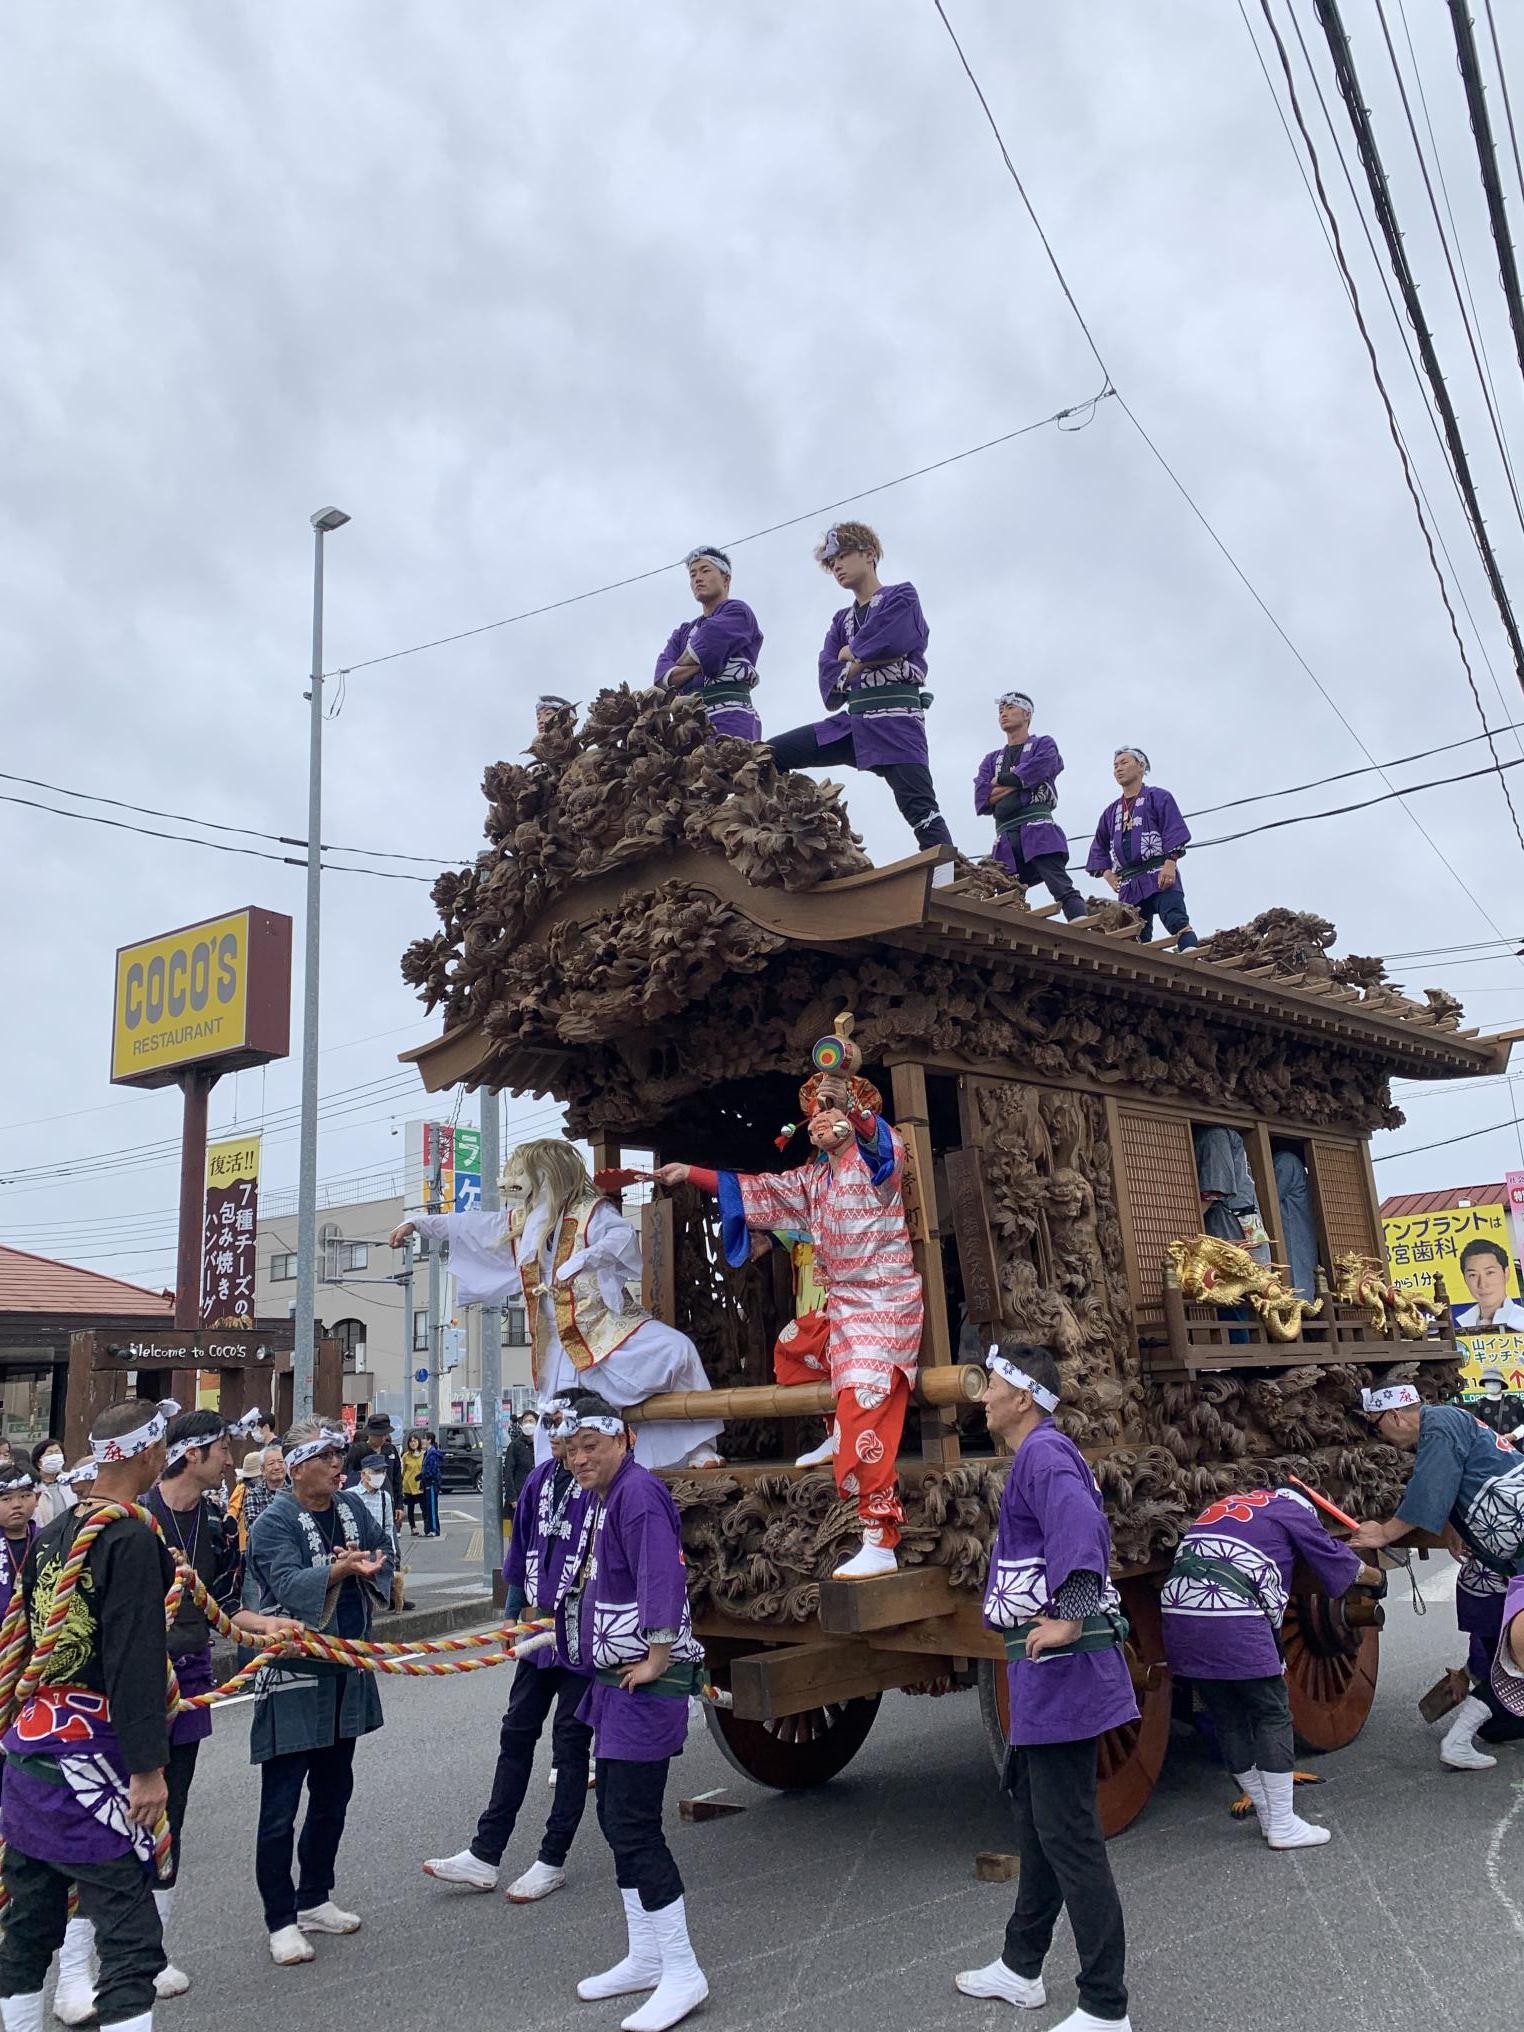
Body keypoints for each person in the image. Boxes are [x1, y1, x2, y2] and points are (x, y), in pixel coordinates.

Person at [656, 1014, 922, 1580]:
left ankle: (880, 1533)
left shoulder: (882, 1160)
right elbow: (756, 1189)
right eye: (818, 1115)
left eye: (834, 1113)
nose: (824, 1121)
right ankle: (835, 1433)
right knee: (792, 1348)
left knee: (866, 1406)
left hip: (886, 1306)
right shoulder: (813, 1178)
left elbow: (878, 1142)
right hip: (843, 1307)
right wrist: (694, 1173)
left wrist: (851, 1106)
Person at [956, 1344, 1135, 2032]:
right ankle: (1021, 1966)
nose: (984, 1396)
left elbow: (1082, 1527)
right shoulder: (1038, 1453)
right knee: (1037, 1821)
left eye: (993, 1385)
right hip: (1045, 1678)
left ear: (1022, 1397)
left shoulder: (1045, 1455)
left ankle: (1105, 2005)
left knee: (1070, 1835)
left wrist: (1069, 1613)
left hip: (1063, 1674)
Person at [0, 1398, 179, 2032]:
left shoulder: (54, 1533)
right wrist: (149, 1769)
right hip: (88, 1761)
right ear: (151, 1454)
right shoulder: (128, 1537)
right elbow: (134, 1657)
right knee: (132, 1939)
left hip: (30, 1752)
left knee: (28, 1920)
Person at [390, 1138, 721, 1472]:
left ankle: (698, 1449)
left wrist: (586, 1258)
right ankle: (555, 1492)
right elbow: (471, 1225)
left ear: (549, 1174)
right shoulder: (523, 1221)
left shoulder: (593, 1210)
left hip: (608, 1329)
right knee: (558, 1421)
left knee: (678, 1350)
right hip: (562, 1344)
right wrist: (418, 1222)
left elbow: (620, 1238)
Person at [563, 1394, 708, 2032]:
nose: (579, 1459)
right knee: (616, 1817)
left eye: (590, 1445)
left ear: (621, 1438)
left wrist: (656, 1653)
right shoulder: (606, 1496)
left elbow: (661, 1576)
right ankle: (647, 1954)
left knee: (633, 1820)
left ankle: (682, 1969)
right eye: (570, 1449)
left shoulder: (639, 1493)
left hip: (647, 1684)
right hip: (617, 1683)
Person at [145, 1410, 300, 2000]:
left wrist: (270, 1625)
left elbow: (228, 1607)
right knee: (114, 1813)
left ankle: (152, 1949)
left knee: (171, 1811)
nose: (233, 1460)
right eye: (222, 1451)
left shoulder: (216, 1524)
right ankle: (87, 1959)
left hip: (188, 1676)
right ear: (192, 1454)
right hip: (128, 1681)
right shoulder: (136, 1517)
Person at [424, 1392, 594, 1902]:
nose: (555, 1433)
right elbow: (521, 1554)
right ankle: (485, 1853)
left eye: (565, 1424)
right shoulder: (540, 1479)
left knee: (569, 1748)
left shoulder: (601, 1483)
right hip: (538, 1634)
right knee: (515, 1734)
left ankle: (552, 1858)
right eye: (550, 1423)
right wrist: (510, 1627)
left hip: (585, 1636)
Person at [246, 1419, 393, 1967]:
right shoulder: (272, 1521)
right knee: (280, 1806)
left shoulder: (353, 1509)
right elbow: (283, 1586)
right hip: (292, 1671)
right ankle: (280, 1918)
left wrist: (373, 1568)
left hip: (346, 1665)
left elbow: (383, 1553)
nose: (339, 1466)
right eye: (327, 1457)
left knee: (335, 1792)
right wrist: (336, 1571)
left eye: (340, 1456)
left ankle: (315, 1897)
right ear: (296, 1465)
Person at [1161, 1486, 1377, 1848]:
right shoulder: (1290, 1510)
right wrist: (1376, 1578)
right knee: (1271, 1713)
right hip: (1232, 1610)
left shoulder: (1224, 1505)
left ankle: (1266, 1810)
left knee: (1227, 1715)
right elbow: (1335, 1560)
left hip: (1178, 1608)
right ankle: (1282, 1823)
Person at [1350, 1375, 1524, 1769]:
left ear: (1393, 1414)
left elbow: (1430, 1487)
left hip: (1514, 1535)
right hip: (1498, 1553)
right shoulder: (1448, 1423)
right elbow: (1449, 1484)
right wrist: (1450, 1527)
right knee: (1484, 1609)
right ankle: (1477, 1703)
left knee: (1511, 1637)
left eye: (1377, 1427)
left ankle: (1467, 1726)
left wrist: (1384, 1533)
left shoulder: (1441, 1423)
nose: (1382, 1438)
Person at [766, 522, 954, 854]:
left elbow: (892, 639)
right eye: (831, 562)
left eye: (842, 556)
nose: (836, 566)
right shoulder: (842, 620)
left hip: (897, 721)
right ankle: (789, 839)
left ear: (868, 554)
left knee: (921, 810)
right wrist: (865, 658)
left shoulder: (902, 596)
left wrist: (851, 656)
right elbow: (829, 672)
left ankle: (949, 885)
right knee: (769, 755)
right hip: (854, 721)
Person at [974, 693, 1085, 921]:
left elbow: (1043, 766)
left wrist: (1000, 781)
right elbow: (982, 796)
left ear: (1027, 714)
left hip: (1037, 826)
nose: (1003, 713)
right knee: (1004, 888)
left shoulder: (1042, 744)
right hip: (1005, 834)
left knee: (1058, 881)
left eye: (1010, 708)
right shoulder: (991, 759)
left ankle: (1079, 919)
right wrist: (1020, 782)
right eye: (1000, 710)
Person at [1085, 745, 1199, 948]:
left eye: (1124, 763)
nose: (1118, 769)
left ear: (1141, 766)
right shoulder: (1110, 812)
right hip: (1129, 883)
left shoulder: (1159, 797)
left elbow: (1173, 828)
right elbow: (1099, 845)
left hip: (1158, 872)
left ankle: (1194, 959)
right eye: (1115, 765)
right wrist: (1107, 873)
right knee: (1133, 935)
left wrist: (1170, 862)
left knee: (1176, 921)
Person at [652, 548, 763, 740]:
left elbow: (709, 645)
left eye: (705, 570)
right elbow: (662, 678)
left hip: (731, 713)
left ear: (726, 579)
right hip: (685, 724)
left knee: (730, 764)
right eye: (692, 574)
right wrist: (702, 660)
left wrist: (683, 666)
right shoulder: (683, 631)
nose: (697, 578)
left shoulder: (738, 611)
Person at [1453, 1237, 1524, 1331]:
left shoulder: (1520, 1318)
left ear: (1506, 1273)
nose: (1482, 1284)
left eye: (1490, 1272)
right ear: (1465, 1279)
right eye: (1473, 1275)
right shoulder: (1459, 1323)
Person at [0, 1462, 40, 1620]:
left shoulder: (49, 1540)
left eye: (25, 1496)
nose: (17, 1505)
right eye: (6, 1499)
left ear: (37, 1498)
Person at [343, 1413, 403, 1511]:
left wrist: (399, 1506)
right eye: (379, 1435)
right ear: (370, 1433)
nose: (383, 1438)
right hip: (363, 1502)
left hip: (387, 1501)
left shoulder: (390, 1450)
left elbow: (397, 1479)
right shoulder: (359, 1451)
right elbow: (349, 1475)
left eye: (385, 1434)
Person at [29, 1439, 73, 1528]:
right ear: (39, 1461)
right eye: (50, 1453)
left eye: (57, 1452)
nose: (54, 1456)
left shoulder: (70, 1480)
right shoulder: (32, 1486)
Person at [1471, 1364, 1524, 1438]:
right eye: (1488, 1382)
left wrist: (1514, 1435)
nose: (1491, 1384)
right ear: (1484, 1384)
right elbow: (1477, 1427)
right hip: (1493, 1446)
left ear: (1501, 1384)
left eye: (1494, 1381)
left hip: (1515, 1446)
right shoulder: (1481, 1404)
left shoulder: (1514, 1401)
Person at [502, 1409, 538, 1515]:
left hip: (538, 1496)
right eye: (525, 1422)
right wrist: (512, 1498)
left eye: (531, 1421)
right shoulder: (515, 1445)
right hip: (520, 1495)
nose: (528, 1424)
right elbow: (508, 1472)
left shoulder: (542, 1445)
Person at [401, 1433, 425, 1536]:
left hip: (420, 1485)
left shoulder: (424, 1454)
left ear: (419, 1442)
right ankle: (413, 1527)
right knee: (410, 1509)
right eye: (411, 1441)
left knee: (424, 1507)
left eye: (415, 1441)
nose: (413, 1443)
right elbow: (403, 1471)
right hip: (408, 1486)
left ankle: (427, 1526)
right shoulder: (406, 1456)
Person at [420, 1433, 443, 1539]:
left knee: (432, 1507)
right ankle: (430, 1529)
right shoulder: (427, 1453)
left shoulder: (432, 1453)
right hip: (427, 1483)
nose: (422, 1440)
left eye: (424, 1438)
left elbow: (432, 1470)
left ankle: (434, 1529)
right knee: (429, 1506)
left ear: (429, 1440)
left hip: (432, 1483)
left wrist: (424, 1475)